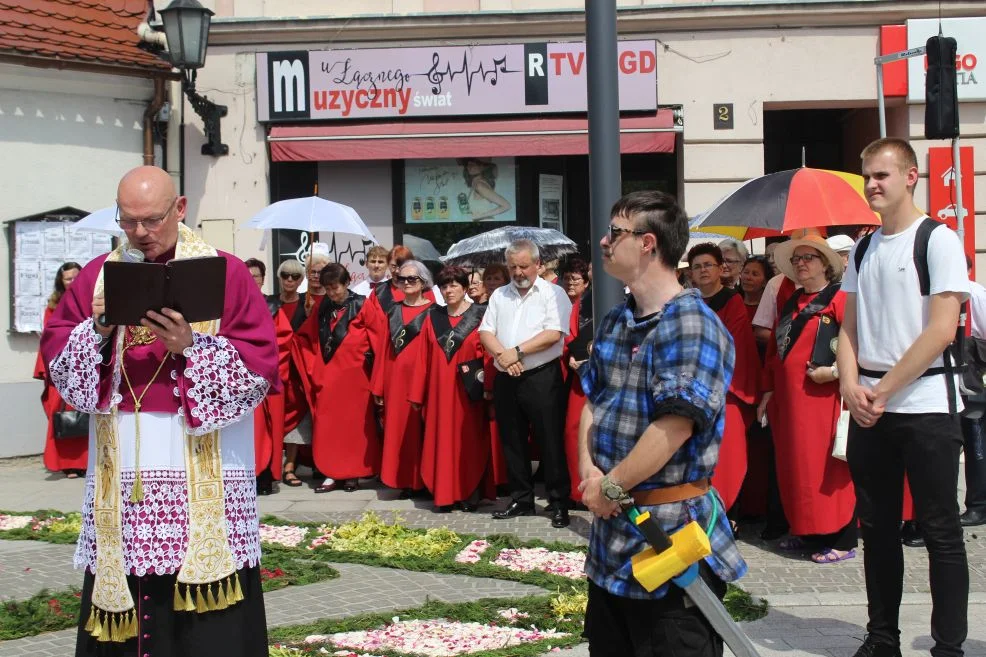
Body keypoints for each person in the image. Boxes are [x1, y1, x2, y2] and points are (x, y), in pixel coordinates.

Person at [40, 166, 278, 657]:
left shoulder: (226, 271)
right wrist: (100, 330)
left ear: (181, 208)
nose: (140, 234)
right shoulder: (96, 277)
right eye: (128, 222)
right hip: (121, 463)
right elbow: (60, 362)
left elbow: (260, 367)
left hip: (200, 458)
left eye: (151, 220)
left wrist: (192, 346)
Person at [578, 190, 745, 657]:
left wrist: (608, 487)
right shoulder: (616, 320)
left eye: (616, 232)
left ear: (648, 243)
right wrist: (589, 473)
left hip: (668, 539)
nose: (605, 241)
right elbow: (592, 399)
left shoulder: (692, 324)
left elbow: (673, 429)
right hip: (612, 542)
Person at [838, 138, 969, 657]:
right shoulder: (866, 246)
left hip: (926, 405)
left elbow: (941, 330)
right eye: (867, 174)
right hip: (871, 407)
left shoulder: (937, 239)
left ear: (910, 177)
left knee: (940, 529)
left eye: (882, 175)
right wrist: (851, 385)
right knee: (877, 528)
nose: (872, 184)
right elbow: (847, 324)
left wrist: (883, 389)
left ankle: (949, 645)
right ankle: (881, 637)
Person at [758, 231, 857, 563]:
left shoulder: (840, 298)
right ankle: (808, 531)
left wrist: (834, 373)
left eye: (808, 258)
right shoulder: (791, 300)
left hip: (823, 399)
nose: (800, 264)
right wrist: (768, 390)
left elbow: (860, 347)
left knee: (828, 469)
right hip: (790, 402)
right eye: (796, 259)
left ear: (826, 265)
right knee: (796, 467)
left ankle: (842, 537)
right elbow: (775, 350)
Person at [479, 239, 572, 528]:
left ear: (538, 265)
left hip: (541, 375)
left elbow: (554, 333)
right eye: (513, 267)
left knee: (550, 440)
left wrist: (516, 352)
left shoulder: (553, 293)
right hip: (507, 375)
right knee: (512, 439)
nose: (518, 272)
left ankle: (558, 502)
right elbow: (486, 331)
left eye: (523, 266)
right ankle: (521, 499)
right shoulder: (499, 296)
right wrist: (504, 358)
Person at [295, 263, 382, 494]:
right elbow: (305, 337)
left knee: (355, 427)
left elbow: (380, 339)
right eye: (328, 288)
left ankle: (353, 474)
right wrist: (314, 368)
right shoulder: (321, 306)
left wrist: (377, 378)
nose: (332, 292)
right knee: (328, 426)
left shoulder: (364, 305)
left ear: (346, 283)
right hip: (329, 377)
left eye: (336, 287)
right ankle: (330, 472)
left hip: (357, 377)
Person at [686, 243, 760, 514]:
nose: (703, 270)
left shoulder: (733, 301)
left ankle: (728, 514)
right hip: (693, 388)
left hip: (726, 389)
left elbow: (734, 346)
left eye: (708, 265)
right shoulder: (689, 301)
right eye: (697, 266)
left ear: (720, 269)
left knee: (727, 457)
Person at [410, 266, 491, 512]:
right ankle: (444, 494)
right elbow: (422, 358)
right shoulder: (432, 317)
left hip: (468, 393)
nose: (449, 290)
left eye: (454, 285)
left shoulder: (481, 316)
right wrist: (417, 393)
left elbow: (487, 353)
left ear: (465, 288)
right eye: (444, 286)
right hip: (438, 393)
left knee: (469, 441)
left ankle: (469, 493)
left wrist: (489, 387)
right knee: (440, 441)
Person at [371, 260, 435, 496]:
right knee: (401, 432)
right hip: (396, 381)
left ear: (423, 282)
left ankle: (425, 480)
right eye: (402, 279)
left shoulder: (434, 311)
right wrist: (378, 386)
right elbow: (383, 350)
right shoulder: (393, 311)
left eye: (412, 279)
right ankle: (407, 481)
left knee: (424, 431)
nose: (406, 283)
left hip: (424, 380)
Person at [35, 261, 87, 478]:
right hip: (61, 365)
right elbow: (51, 335)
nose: (73, 282)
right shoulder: (54, 306)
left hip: (84, 363)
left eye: (77, 277)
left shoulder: (91, 300)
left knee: (86, 413)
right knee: (61, 412)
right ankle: (66, 464)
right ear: (61, 282)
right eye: (68, 279)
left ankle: (85, 462)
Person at [560, 258, 592, 505]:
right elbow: (570, 335)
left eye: (577, 278)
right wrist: (572, 354)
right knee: (574, 429)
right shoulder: (578, 306)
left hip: (610, 377)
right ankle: (578, 490)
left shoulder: (625, 300)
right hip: (580, 377)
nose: (571, 283)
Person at [962, 255, 986, 527]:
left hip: (974, 379)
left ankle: (979, 505)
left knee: (976, 442)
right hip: (960, 379)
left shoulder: (975, 294)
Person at [740, 256, 770, 325]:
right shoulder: (733, 302)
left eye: (755, 274)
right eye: (746, 272)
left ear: (765, 282)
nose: (748, 277)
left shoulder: (769, 309)